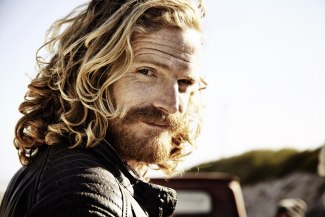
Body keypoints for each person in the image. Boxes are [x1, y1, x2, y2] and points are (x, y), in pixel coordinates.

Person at [0, 0, 206, 216]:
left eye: (184, 82)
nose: (172, 105)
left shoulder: (80, 179)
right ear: (95, 76)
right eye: (146, 72)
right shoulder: (82, 198)